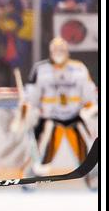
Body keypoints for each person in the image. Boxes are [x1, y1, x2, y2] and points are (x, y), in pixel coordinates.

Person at [21, 37, 98, 189]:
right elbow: (31, 96)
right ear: (50, 51)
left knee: (85, 154)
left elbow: (90, 96)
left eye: (62, 49)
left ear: (67, 51)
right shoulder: (40, 69)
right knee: (43, 154)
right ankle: (31, 180)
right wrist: (29, 108)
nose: (59, 52)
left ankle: (94, 180)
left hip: (74, 118)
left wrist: (89, 111)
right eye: (56, 49)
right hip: (50, 120)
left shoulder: (79, 68)